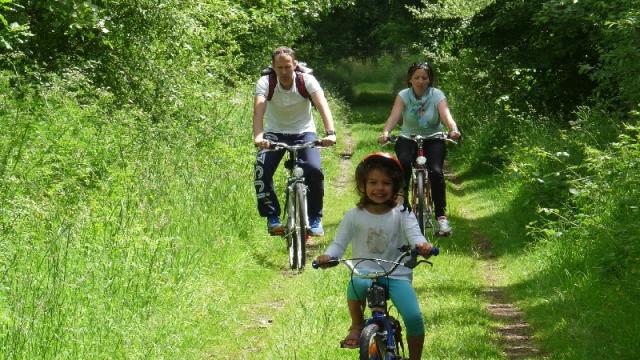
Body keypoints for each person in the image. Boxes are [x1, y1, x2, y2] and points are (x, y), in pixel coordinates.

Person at [315, 152, 434, 360]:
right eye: (373, 182)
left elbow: (415, 235)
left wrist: (422, 245)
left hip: (396, 273)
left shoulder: (402, 213)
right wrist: (328, 257)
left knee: (414, 317)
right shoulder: (354, 215)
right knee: (354, 286)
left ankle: (416, 357)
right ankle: (357, 324)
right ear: (362, 185)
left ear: (395, 186)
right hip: (364, 272)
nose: (379, 188)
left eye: (386, 183)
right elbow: (339, 243)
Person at [253, 46, 336, 236]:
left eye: (287, 67)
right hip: (274, 133)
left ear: (294, 65)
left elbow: (322, 104)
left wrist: (330, 133)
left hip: (304, 132)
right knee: (261, 169)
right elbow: (258, 109)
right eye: (280, 67)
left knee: (314, 170)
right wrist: (258, 136)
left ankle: (315, 218)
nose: (284, 72)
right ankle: (272, 217)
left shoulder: (306, 80)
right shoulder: (265, 82)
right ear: (273, 67)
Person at [378, 62, 461, 236]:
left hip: (433, 138)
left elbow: (446, 116)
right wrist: (386, 132)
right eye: (417, 77)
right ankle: (402, 208)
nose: (420, 81)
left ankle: (441, 218)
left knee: (436, 172)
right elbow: (394, 116)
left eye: (424, 77)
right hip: (408, 138)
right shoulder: (403, 95)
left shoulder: (437, 95)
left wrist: (453, 129)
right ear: (410, 79)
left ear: (430, 79)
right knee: (403, 165)